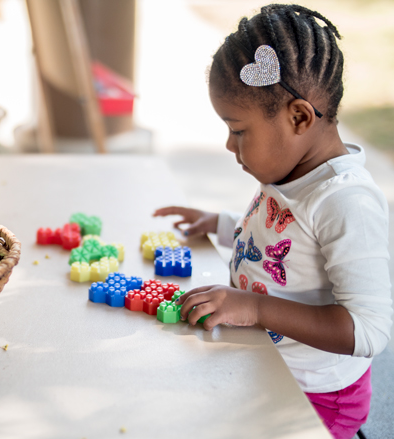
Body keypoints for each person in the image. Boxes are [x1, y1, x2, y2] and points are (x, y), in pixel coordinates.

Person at [154, 5, 391, 439]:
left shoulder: (347, 203)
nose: (229, 144)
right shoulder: (290, 167)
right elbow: (277, 237)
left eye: (239, 130)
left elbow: (369, 330)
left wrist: (256, 308)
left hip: (317, 400)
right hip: (268, 365)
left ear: (299, 117)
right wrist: (220, 223)